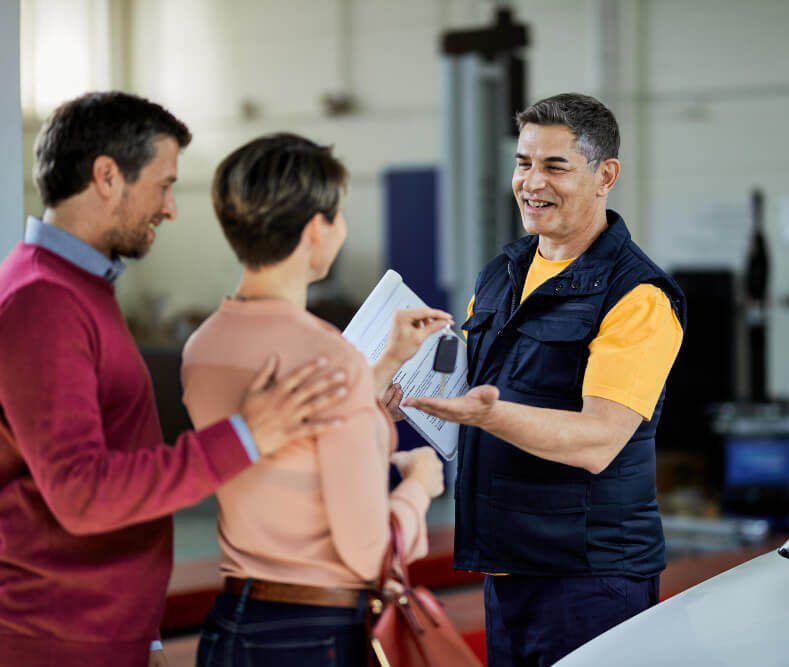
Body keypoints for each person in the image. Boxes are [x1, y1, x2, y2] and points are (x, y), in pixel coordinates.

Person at [0, 93, 347, 667]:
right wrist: (245, 436)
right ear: (107, 176)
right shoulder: (44, 301)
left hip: (103, 629)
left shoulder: (79, 288)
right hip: (57, 640)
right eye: (163, 185)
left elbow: (114, 463)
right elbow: (82, 494)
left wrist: (145, 631)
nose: (171, 208)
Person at [405, 93, 687, 666]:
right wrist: (408, 394)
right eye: (523, 162)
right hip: (507, 567)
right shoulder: (503, 272)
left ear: (605, 175)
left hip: (591, 578)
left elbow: (598, 440)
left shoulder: (637, 297)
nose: (532, 182)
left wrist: (488, 414)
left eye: (555, 166)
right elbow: (468, 386)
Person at [180, 133, 450, 667]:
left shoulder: (202, 348)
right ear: (315, 229)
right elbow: (371, 550)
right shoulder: (328, 357)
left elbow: (291, 444)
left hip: (232, 624)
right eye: (340, 214)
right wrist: (420, 486)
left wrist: (386, 364)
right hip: (312, 637)